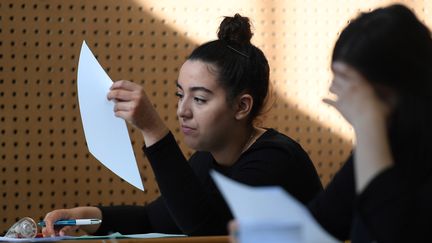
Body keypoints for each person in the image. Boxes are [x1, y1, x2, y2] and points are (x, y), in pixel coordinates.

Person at [41, 14, 323, 237]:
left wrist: (153, 129)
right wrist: (83, 216)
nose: (182, 110)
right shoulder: (208, 158)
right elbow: (156, 218)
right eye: (180, 94)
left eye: (199, 98)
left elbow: (205, 229)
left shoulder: (274, 160)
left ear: (242, 106)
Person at [230, 4, 432, 243]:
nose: (340, 97)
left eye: (353, 90)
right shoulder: (387, 142)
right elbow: (321, 222)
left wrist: (368, 125)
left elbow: (386, 231)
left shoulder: (382, 140)